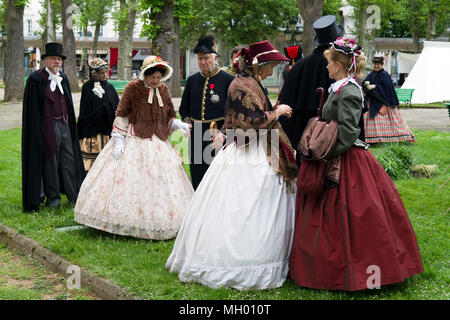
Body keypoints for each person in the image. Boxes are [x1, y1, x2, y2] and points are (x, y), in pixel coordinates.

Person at [289, 38, 424, 291]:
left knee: (356, 215)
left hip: (346, 159)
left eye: (329, 62)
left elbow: (350, 131)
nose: (326, 67)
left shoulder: (349, 90)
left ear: (339, 65)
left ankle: (362, 274)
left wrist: (327, 153)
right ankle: (330, 269)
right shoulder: (339, 87)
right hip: (337, 155)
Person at [166, 40, 298, 290]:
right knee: (237, 203)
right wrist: (279, 111)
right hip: (246, 148)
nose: (272, 72)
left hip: (244, 144)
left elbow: (233, 115)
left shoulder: (245, 81)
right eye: (270, 67)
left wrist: (226, 132)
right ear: (258, 65)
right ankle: (237, 262)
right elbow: (256, 121)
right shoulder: (242, 84)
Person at [74, 56, 194, 240]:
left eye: (158, 77)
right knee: (127, 180)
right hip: (135, 136)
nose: (155, 81)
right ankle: (121, 219)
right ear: (144, 75)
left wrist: (178, 124)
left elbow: (169, 115)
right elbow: (122, 114)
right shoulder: (133, 88)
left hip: (157, 140)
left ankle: (161, 220)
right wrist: (118, 139)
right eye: (152, 77)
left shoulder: (163, 89)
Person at [22, 42, 85, 211]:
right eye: (53, 59)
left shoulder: (63, 78)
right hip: (47, 128)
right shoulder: (36, 79)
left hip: (65, 125)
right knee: (51, 162)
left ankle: (74, 197)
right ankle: (53, 200)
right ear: (45, 61)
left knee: (69, 161)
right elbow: (33, 110)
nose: (57, 62)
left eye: (59, 59)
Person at [179, 35, 234, 189]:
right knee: (197, 175)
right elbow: (184, 108)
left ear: (214, 57)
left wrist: (224, 133)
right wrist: (187, 123)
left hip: (217, 133)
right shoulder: (192, 80)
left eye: (206, 58)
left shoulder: (228, 80)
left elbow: (233, 112)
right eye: (200, 58)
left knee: (217, 178)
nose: (203, 62)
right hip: (196, 134)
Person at [77, 58, 120, 172]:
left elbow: (116, 105)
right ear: (94, 74)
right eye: (101, 73)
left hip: (108, 130)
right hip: (92, 131)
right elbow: (88, 109)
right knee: (91, 164)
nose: (104, 75)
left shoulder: (110, 87)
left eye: (106, 72)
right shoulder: (87, 87)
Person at [363, 56, 416, 143]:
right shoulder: (370, 74)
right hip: (372, 101)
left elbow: (388, 88)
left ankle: (400, 136)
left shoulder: (385, 75)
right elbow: (364, 84)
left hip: (384, 103)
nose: (376, 66)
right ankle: (370, 139)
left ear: (382, 65)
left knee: (393, 123)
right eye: (375, 64)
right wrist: (366, 84)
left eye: (378, 64)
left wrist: (376, 86)